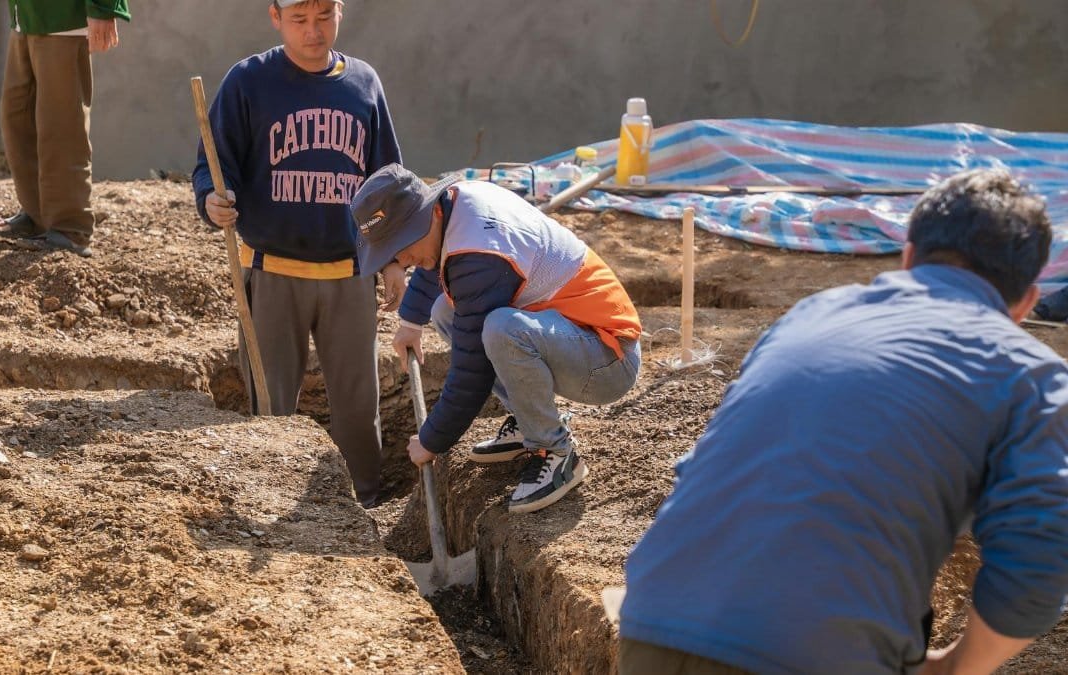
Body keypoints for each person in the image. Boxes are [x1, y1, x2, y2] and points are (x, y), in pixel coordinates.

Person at [619, 169, 1068, 674]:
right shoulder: (1032, 375)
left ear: (908, 256)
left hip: (654, 621)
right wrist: (959, 666)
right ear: (1028, 302)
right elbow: (1042, 551)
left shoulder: (811, 315)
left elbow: (718, 462)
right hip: (817, 653)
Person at [192, 0, 405, 508]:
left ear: (340, 12)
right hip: (272, 272)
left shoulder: (364, 84)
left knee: (357, 405)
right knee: (271, 404)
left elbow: (387, 181)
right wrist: (211, 200)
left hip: (350, 274)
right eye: (299, 20)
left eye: (324, 17)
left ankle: (366, 503)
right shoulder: (248, 82)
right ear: (275, 17)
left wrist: (393, 258)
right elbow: (213, 164)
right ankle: (270, 499)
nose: (313, 32)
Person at [351, 164, 642, 514]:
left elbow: (472, 370)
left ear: (427, 216)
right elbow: (437, 263)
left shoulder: (480, 256)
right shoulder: (456, 207)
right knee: (447, 308)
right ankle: (530, 420)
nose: (403, 260)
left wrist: (431, 440)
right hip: (570, 335)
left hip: (607, 359)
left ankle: (555, 450)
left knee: (501, 328)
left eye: (399, 248)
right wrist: (412, 322)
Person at [0, 0, 131, 258]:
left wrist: (103, 7)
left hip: (64, 18)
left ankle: (70, 229)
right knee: (18, 119)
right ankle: (38, 215)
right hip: (26, 16)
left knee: (61, 128)